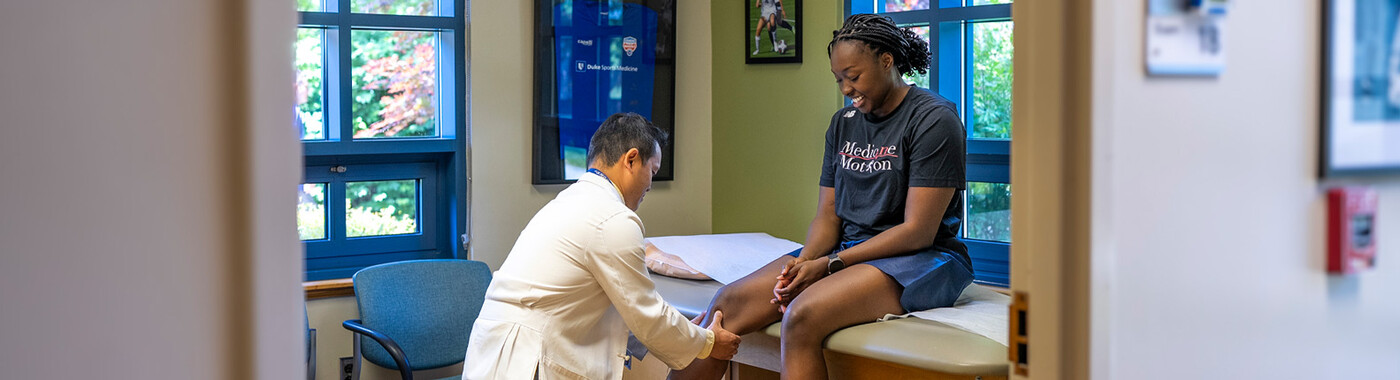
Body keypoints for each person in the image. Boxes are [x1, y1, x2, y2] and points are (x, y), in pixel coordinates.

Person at [672, 14, 973, 380]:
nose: (846, 88)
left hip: (922, 259)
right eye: (839, 79)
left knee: (801, 316)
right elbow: (828, 216)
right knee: (726, 305)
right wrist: (806, 262)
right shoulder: (843, 123)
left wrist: (830, 265)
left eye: (854, 76)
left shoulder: (933, 119)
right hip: (848, 251)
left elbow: (918, 231)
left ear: (887, 60)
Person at [463, 113, 741, 379]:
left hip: (503, 353)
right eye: (652, 171)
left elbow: (617, 310)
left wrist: (685, 336)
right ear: (631, 159)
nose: (650, 186)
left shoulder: (571, 203)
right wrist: (707, 343)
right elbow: (648, 314)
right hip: (527, 360)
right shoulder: (612, 219)